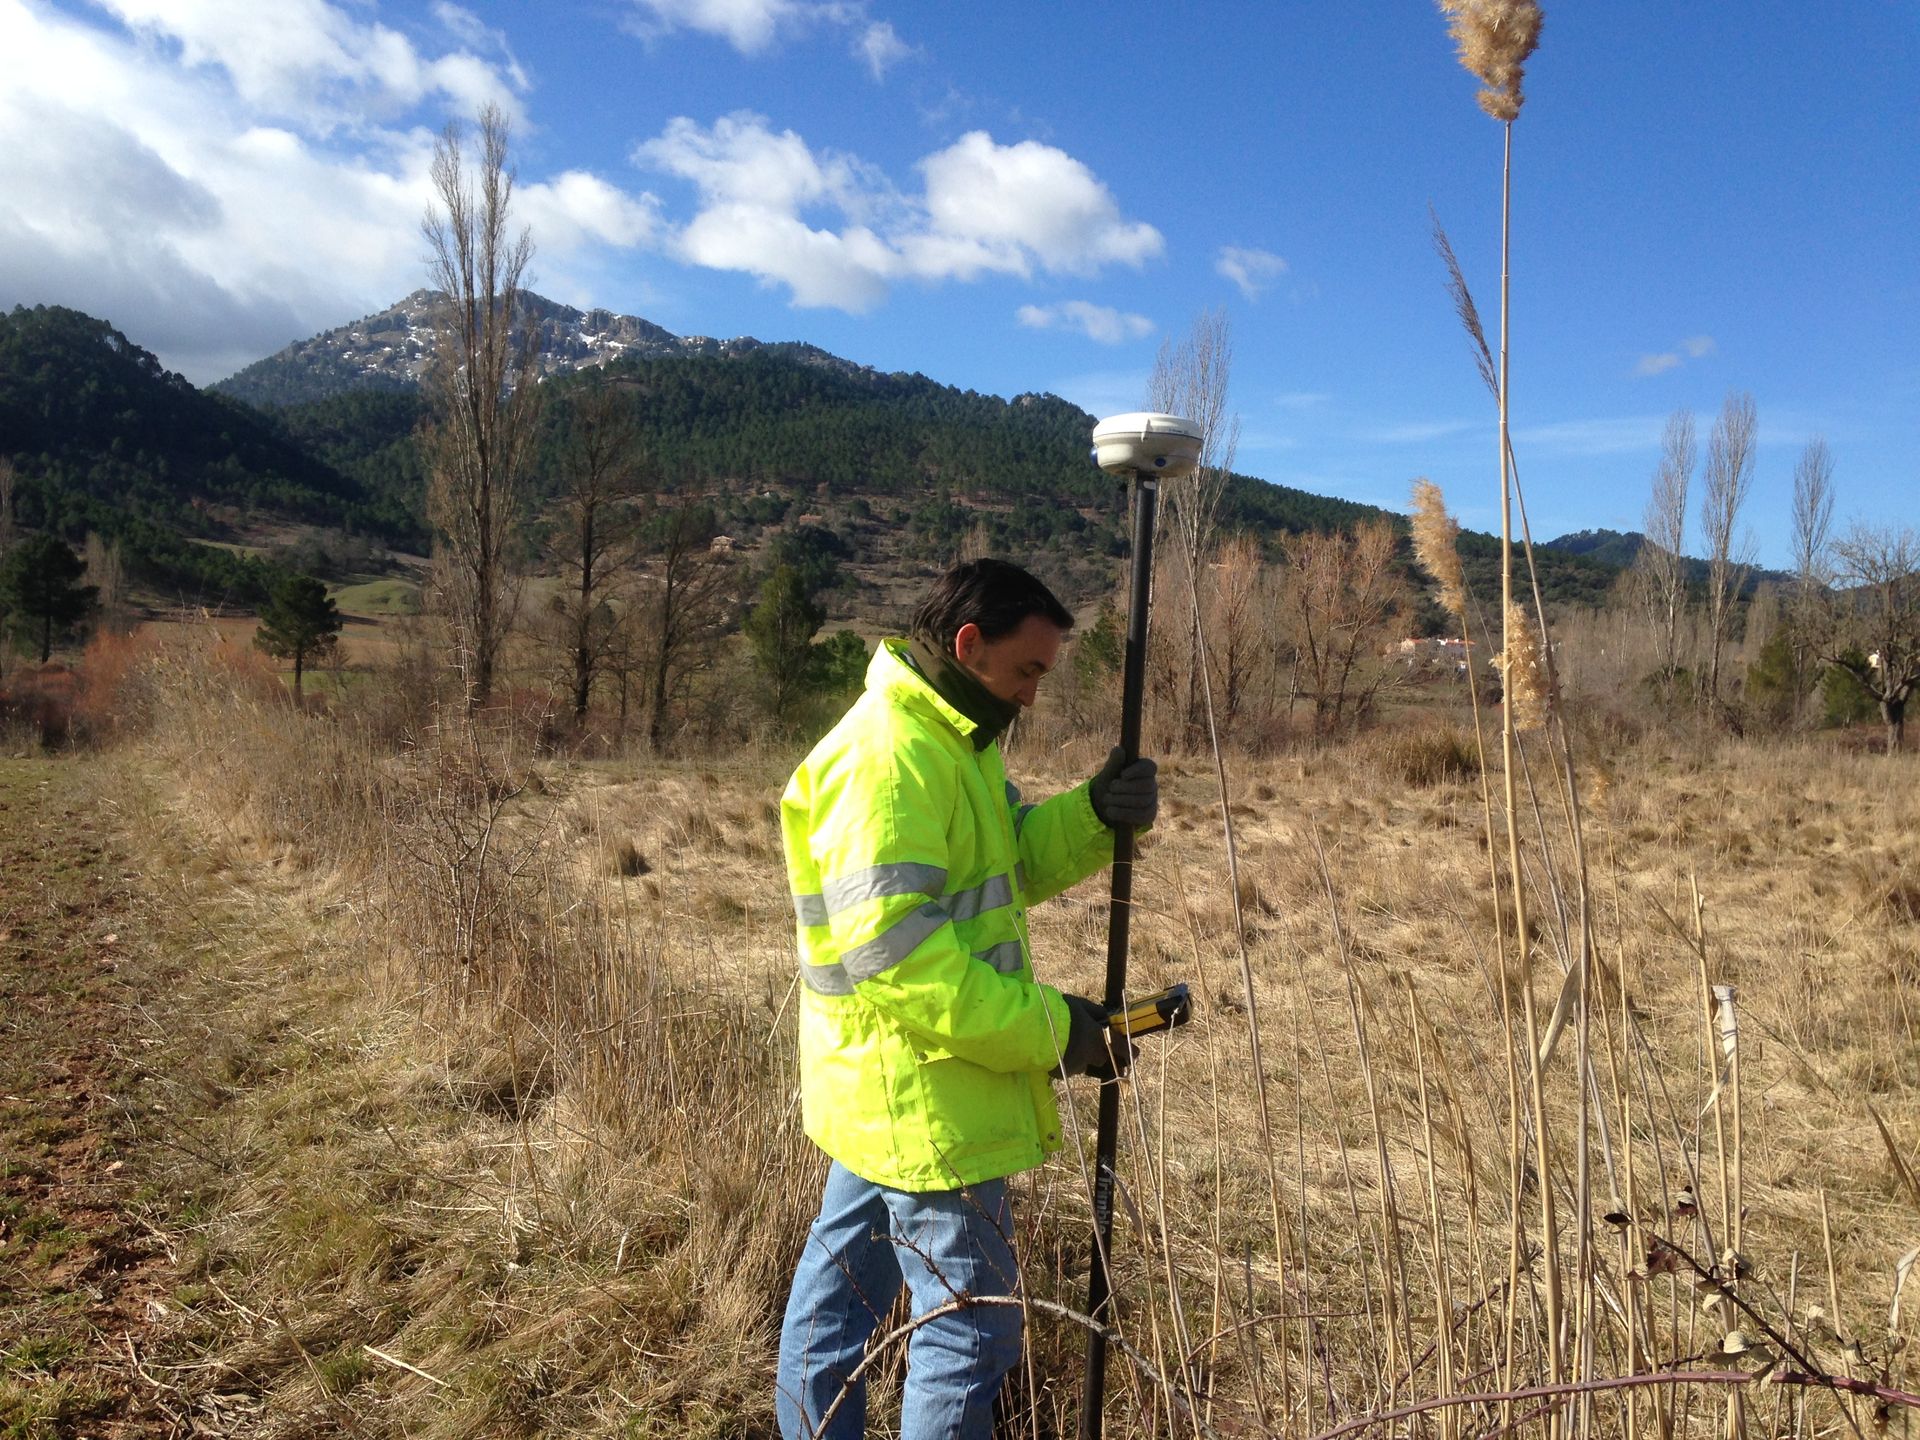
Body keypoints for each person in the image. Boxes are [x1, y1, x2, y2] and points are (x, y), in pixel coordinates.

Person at [774, 558, 1158, 1440]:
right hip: (924, 1096)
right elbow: (904, 964)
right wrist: (1058, 1031)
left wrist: (1097, 811)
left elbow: (1008, 859)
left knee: (834, 1314)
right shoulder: (892, 758)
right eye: (1027, 672)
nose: (1031, 698)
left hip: (885, 1092)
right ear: (968, 644)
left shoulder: (951, 742)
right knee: (973, 1329)